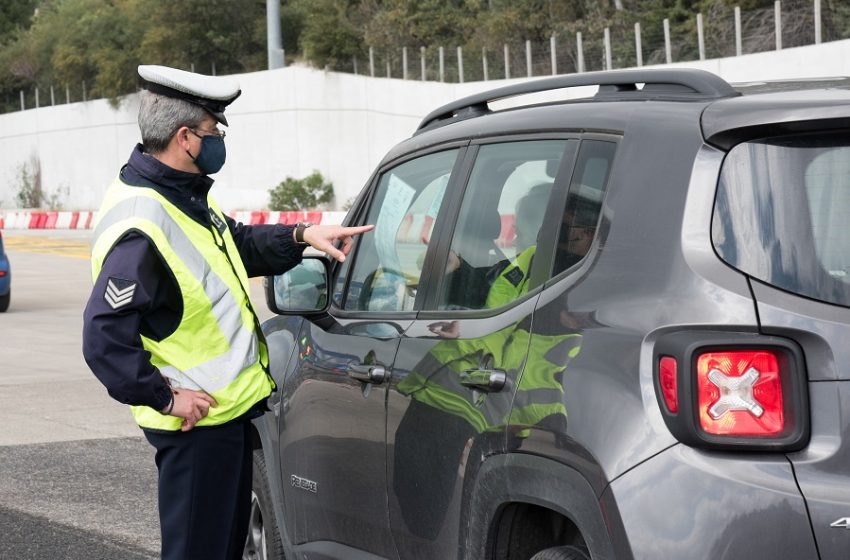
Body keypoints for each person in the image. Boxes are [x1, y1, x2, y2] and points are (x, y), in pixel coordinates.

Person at [82, 65, 372, 560]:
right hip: (197, 426)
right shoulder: (143, 225)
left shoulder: (179, 195)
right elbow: (103, 338)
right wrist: (166, 398)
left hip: (224, 417)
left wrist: (301, 237)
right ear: (185, 138)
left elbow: (235, 243)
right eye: (213, 131)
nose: (218, 141)